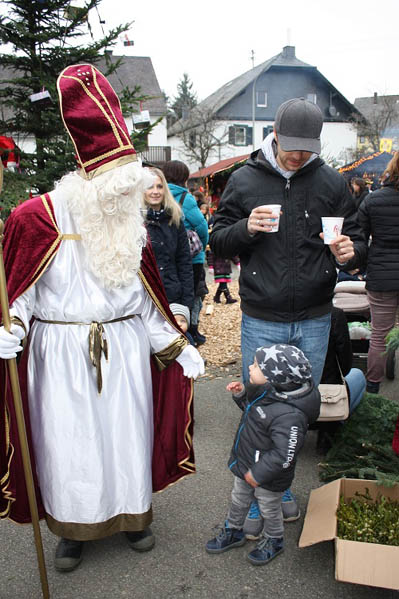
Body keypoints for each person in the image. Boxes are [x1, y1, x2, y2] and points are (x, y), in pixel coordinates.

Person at [0, 64, 204, 573]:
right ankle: (73, 529)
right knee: (68, 442)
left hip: (126, 348)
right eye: (114, 186)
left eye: (127, 185)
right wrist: (11, 331)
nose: (123, 197)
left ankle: (134, 516)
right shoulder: (38, 219)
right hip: (60, 353)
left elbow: (146, 299)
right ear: (87, 177)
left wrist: (179, 346)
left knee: (126, 435)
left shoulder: (128, 221)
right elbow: (16, 295)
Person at [210, 97, 367, 521]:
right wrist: (245, 227)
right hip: (263, 314)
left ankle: (277, 488)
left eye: (307, 148)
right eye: (291, 146)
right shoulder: (244, 180)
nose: (298, 155)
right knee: (259, 407)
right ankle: (255, 489)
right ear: (274, 135)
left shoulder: (331, 182)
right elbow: (218, 240)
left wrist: (352, 252)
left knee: (298, 407)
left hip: (315, 315)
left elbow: (355, 238)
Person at [205, 344, 320, 566]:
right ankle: (233, 530)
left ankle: (274, 539)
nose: (250, 366)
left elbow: (285, 454)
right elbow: (254, 412)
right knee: (238, 499)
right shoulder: (271, 391)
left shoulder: (290, 416)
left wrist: (259, 473)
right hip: (247, 463)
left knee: (269, 508)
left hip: (267, 476)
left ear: (276, 377)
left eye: (257, 366)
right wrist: (240, 395)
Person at [357, 151, 399, 394]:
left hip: (381, 275)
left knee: (379, 336)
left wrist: (359, 268)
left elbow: (359, 240)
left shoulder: (372, 201)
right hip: (383, 273)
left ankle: (373, 389)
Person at [162, 160, 209, 346]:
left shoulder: (158, 195)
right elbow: (202, 227)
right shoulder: (185, 197)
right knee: (193, 294)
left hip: (167, 257)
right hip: (191, 257)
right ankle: (191, 331)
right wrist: (200, 248)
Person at [316, 306, 366, 452]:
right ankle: (327, 433)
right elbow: (345, 363)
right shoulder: (334, 314)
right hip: (326, 395)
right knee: (357, 375)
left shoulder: (279, 312)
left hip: (292, 393)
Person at [143, 167, 194, 309]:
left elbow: (184, 262)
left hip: (171, 294)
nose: (155, 191)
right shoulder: (134, 221)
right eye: (150, 187)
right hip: (144, 298)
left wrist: (187, 303)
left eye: (159, 186)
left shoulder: (174, 219)